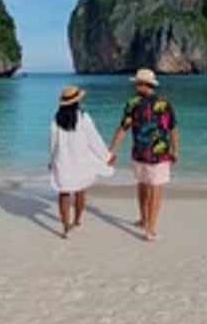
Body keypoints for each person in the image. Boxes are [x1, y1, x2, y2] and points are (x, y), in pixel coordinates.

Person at [109, 68, 179, 242]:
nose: (134, 86)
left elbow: (123, 128)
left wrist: (112, 150)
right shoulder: (165, 102)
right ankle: (150, 228)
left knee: (142, 186)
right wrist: (175, 150)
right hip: (159, 154)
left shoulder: (132, 103)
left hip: (139, 153)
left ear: (142, 84)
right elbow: (173, 128)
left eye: (136, 83)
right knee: (154, 190)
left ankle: (144, 220)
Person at [49, 85, 114, 238]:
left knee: (63, 192)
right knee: (80, 190)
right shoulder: (83, 117)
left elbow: (52, 143)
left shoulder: (56, 119)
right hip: (81, 160)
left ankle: (66, 227)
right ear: (77, 101)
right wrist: (107, 157)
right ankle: (77, 220)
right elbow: (94, 139)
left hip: (63, 160)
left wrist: (51, 160)